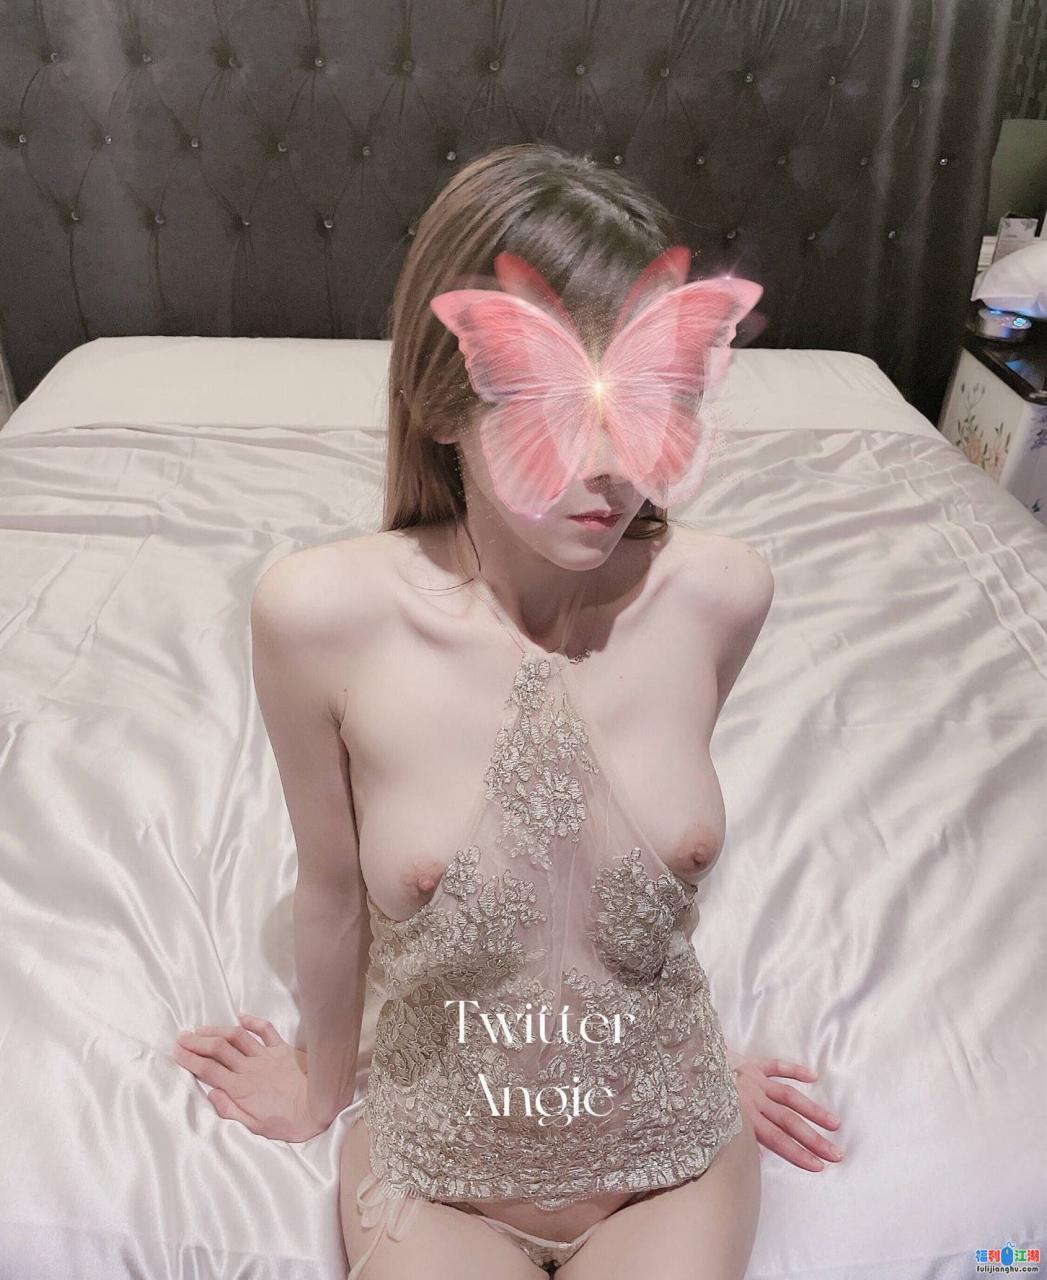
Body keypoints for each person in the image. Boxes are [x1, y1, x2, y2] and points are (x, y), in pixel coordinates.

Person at [172, 142, 844, 1280]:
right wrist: (321, 1084)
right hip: (433, 1173)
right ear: (445, 400)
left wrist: (687, 1053)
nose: (611, 465)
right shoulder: (319, 617)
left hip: (676, 1156)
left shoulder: (723, 594)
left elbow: (605, 890)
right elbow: (331, 891)